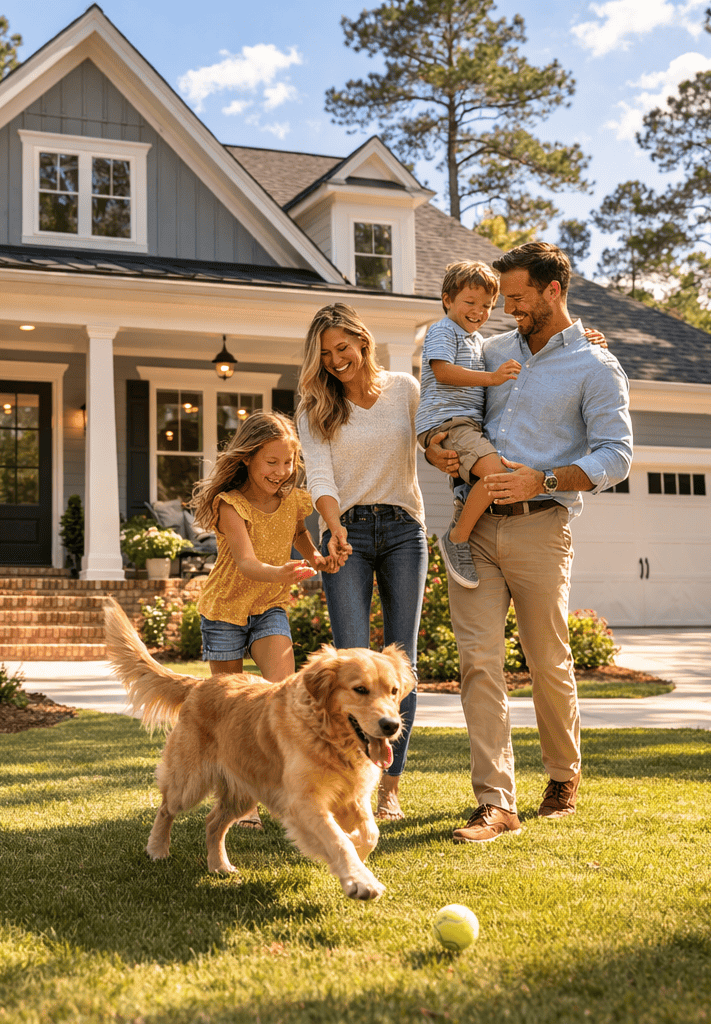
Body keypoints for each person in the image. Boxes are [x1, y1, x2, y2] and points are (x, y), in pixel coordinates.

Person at [444, 242, 633, 844]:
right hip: (471, 528)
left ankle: (562, 775)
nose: (510, 310)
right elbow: (450, 401)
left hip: (540, 525)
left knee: (547, 658)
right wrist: (435, 448)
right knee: (478, 663)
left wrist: (544, 478)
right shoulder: (492, 351)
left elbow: (617, 455)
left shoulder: (596, 366)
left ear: (555, 291)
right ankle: (495, 802)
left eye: (520, 299)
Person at [295, 303, 434, 822]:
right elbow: (321, 479)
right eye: (325, 354)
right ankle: (349, 785)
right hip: (346, 534)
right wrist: (333, 530)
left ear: (362, 341)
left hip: (403, 530)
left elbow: (435, 436)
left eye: (342, 348)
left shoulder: (405, 389)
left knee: (403, 666)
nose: (335, 360)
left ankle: (389, 787)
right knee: (348, 666)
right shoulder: (315, 407)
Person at [417, 260, 612, 589]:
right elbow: (442, 372)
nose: (480, 312)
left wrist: (584, 338)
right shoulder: (443, 330)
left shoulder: (479, 342)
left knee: (492, 473)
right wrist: (492, 378)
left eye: (487, 306)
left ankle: (462, 515)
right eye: (470, 303)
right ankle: (458, 537)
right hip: (449, 422)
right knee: (498, 475)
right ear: (447, 299)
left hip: (468, 427)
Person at [190, 411, 330, 825]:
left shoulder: (293, 498)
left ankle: (290, 789)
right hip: (225, 611)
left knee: (284, 694)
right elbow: (248, 562)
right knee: (230, 711)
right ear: (248, 458)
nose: (282, 472)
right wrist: (283, 572)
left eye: (288, 462)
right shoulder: (229, 504)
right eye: (272, 462)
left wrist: (315, 558)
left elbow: (299, 534)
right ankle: (241, 803)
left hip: (269, 606)